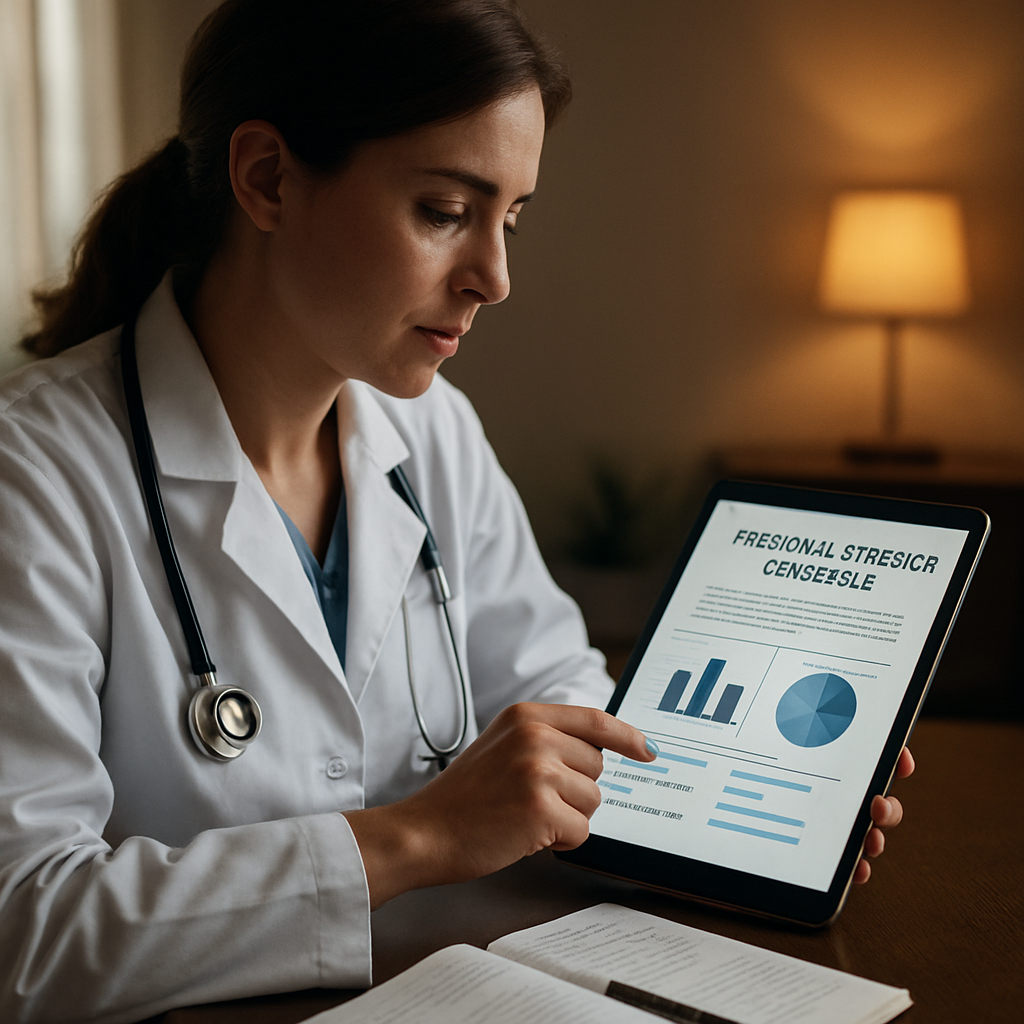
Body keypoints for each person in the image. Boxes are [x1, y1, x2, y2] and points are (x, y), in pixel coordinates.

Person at [0, 2, 912, 1021]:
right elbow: (24, 932)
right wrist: (420, 836)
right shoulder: (34, 473)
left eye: (509, 219)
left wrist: (737, 817)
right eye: (444, 211)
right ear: (267, 179)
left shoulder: (430, 434)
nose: (495, 278)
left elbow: (556, 694)